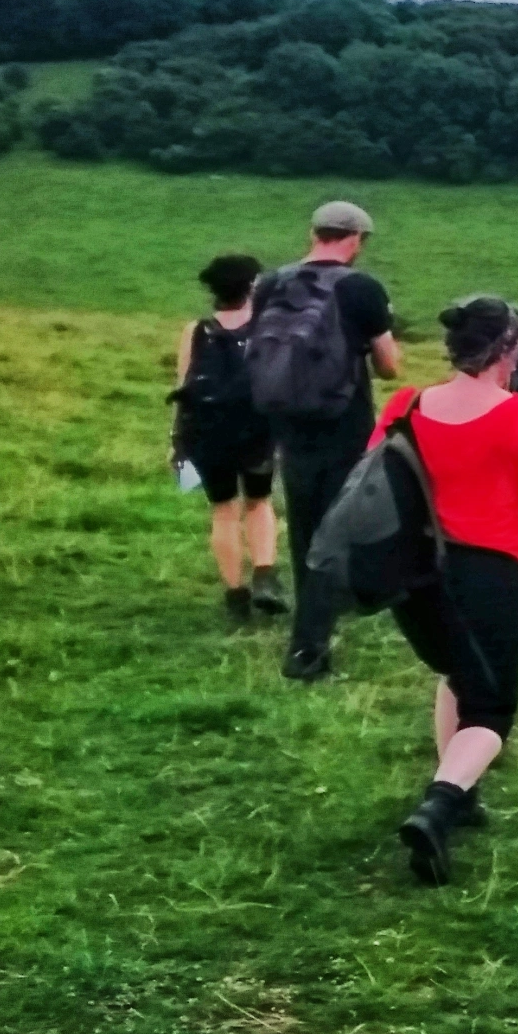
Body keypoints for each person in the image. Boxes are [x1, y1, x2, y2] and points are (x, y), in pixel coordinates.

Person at [379, 296, 518, 885]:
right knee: (492, 706)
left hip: (416, 573)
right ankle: (440, 805)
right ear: (508, 351)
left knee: (456, 672)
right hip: (490, 577)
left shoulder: (405, 406)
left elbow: (377, 480)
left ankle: (462, 788)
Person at [251, 201, 400, 682]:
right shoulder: (361, 288)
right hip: (343, 420)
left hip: (287, 421)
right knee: (343, 527)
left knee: (305, 525)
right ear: (355, 238)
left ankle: (318, 619)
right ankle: (309, 648)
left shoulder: (271, 282)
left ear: (314, 232)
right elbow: (389, 365)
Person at [170, 252, 281, 625]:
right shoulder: (268, 326)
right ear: (252, 286)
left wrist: (177, 439)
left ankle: (235, 595)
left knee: (223, 510)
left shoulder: (196, 330)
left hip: (207, 430)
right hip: (256, 427)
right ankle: (265, 573)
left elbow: (184, 387)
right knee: (259, 501)